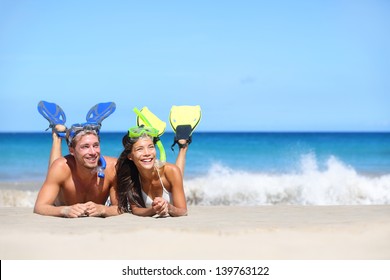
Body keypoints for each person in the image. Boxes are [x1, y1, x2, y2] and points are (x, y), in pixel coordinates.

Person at [34, 123, 119, 218]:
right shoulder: (61, 167)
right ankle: (57, 137)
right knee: (56, 166)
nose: (93, 152)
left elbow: (120, 208)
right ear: (72, 151)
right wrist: (65, 210)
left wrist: (103, 209)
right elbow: (39, 207)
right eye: (85, 147)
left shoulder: (112, 167)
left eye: (95, 145)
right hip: (59, 203)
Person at [116, 126, 188, 217]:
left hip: (169, 172)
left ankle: (183, 147)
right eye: (140, 149)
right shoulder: (130, 175)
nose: (147, 153)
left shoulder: (170, 171)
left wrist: (169, 207)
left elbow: (183, 211)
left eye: (151, 147)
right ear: (130, 156)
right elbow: (135, 209)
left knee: (177, 172)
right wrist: (153, 210)